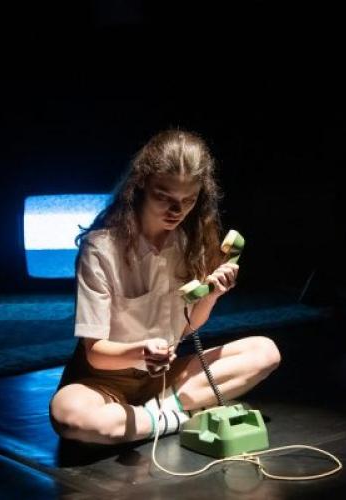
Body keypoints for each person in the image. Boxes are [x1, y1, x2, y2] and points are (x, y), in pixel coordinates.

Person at [50, 129, 280, 444]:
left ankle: (153, 416)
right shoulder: (100, 249)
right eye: (164, 197)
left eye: (188, 200)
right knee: (71, 415)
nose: (177, 211)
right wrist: (140, 351)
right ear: (141, 184)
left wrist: (212, 294)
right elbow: (96, 354)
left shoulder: (190, 243)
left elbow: (186, 328)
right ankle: (172, 416)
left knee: (265, 352)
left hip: (164, 379)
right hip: (103, 382)